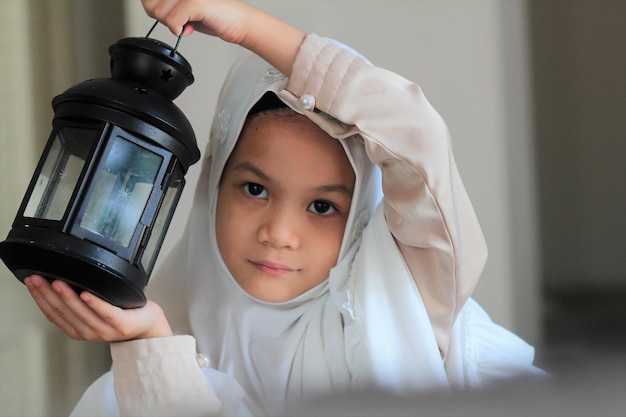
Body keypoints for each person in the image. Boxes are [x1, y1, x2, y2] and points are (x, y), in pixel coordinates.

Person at [24, 1, 545, 415]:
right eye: (254, 190)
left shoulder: (406, 290)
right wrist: (152, 347)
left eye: (322, 206)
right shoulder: (176, 317)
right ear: (213, 187)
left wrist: (251, 29)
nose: (279, 232)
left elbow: (417, 136)